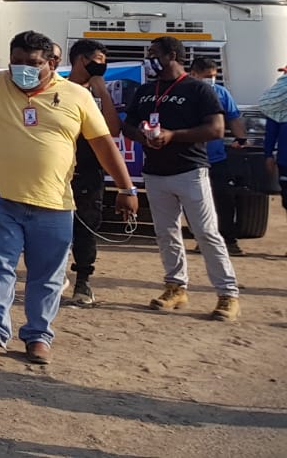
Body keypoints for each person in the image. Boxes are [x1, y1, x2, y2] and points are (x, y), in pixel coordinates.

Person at [0, 0, 137, 365]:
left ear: (51, 63)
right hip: (2, 197)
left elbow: (103, 145)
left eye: (33, 64)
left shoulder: (78, 96)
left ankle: (38, 336)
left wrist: (126, 188)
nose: (23, 70)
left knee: (47, 275)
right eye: (17, 62)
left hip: (54, 205)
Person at [124, 37, 241, 321]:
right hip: (155, 172)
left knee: (206, 233)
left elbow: (215, 129)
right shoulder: (145, 90)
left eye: (154, 54)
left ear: (172, 55)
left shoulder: (198, 89)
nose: (149, 59)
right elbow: (127, 125)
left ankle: (228, 295)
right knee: (166, 233)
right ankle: (175, 287)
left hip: (190, 171)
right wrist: (142, 137)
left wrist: (173, 136)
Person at [63, 38, 121, 308]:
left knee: (85, 227)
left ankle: (83, 281)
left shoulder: (100, 94)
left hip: (89, 171)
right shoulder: (59, 88)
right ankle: (53, 277)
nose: (103, 66)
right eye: (98, 60)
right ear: (81, 60)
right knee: (51, 227)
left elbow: (113, 131)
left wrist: (103, 94)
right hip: (57, 170)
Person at [190, 57, 249, 256]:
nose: (211, 80)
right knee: (197, 202)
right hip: (190, 159)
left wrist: (241, 139)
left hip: (216, 158)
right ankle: (203, 240)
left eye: (214, 76)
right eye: (207, 76)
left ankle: (229, 240)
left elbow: (233, 118)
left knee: (224, 199)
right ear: (194, 74)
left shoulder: (221, 93)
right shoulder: (184, 93)